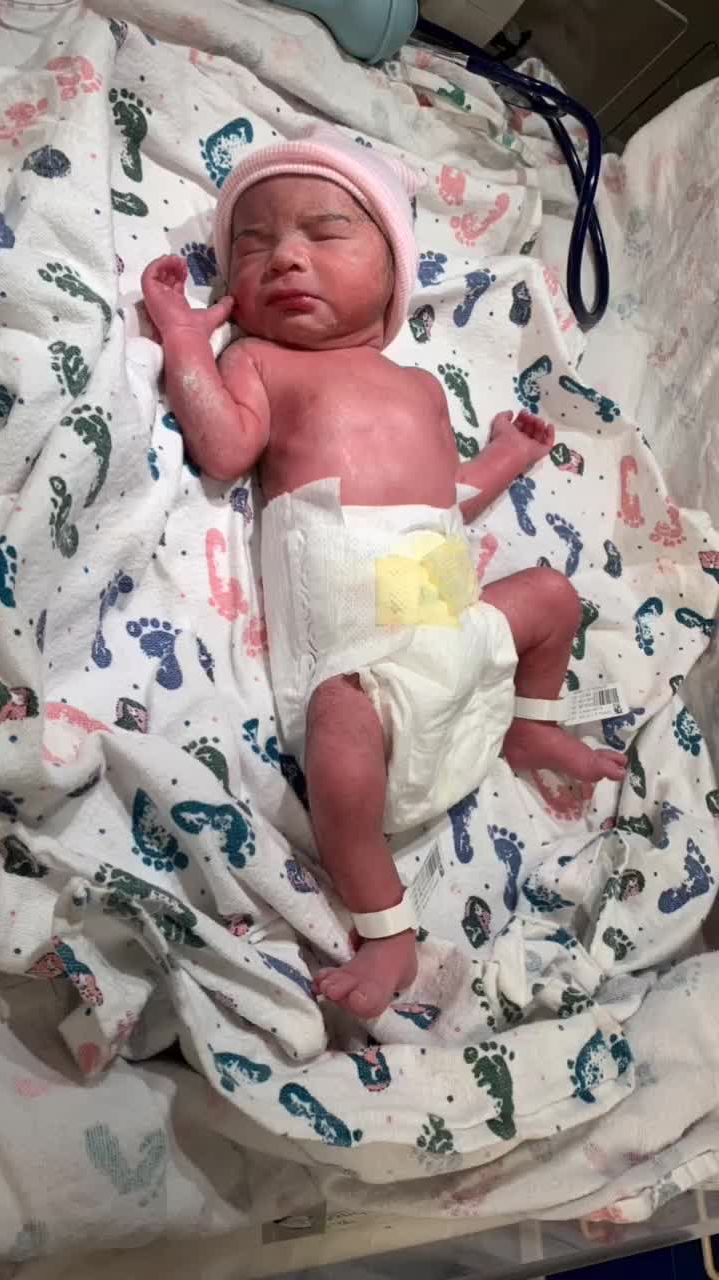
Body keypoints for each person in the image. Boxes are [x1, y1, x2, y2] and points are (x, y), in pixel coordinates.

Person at [141, 127, 626, 1020]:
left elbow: (444, 496)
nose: (286, 257)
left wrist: (505, 461)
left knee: (554, 597)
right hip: (358, 655)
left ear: (394, 271)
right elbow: (223, 446)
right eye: (253, 244)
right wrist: (183, 342)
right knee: (337, 739)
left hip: (445, 615)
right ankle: (388, 926)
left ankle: (529, 727)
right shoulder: (261, 361)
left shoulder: (422, 388)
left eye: (325, 233)